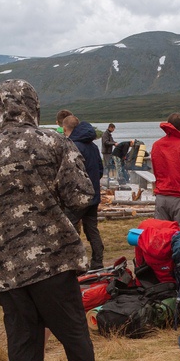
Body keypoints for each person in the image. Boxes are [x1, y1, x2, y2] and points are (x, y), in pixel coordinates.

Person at [0, 79, 131, 361]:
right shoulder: (55, 143)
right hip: (54, 259)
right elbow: (82, 195)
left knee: (22, 340)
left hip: (7, 268)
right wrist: (53, 214)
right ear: (33, 106)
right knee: (73, 332)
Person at [61, 114, 104, 269]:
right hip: (94, 195)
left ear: (65, 128)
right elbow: (100, 169)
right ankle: (98, 261)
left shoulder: (72, 146)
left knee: (68, 227)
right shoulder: (92, 146)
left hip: (78, 197)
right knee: (92, 228)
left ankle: (73, 261)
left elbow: (68, 174)